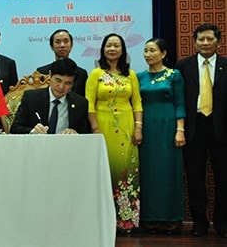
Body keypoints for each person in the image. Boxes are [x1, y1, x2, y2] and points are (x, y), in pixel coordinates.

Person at [85, 33, 143, 233]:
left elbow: (137, 102)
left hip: (126, 128)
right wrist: (95, 129)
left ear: (122, 50)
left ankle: (127, 221)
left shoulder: (131, 75)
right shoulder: (95, 74)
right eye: (108, 45)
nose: (112, 49)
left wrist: (138, 127)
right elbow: (89, 103)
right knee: (105, 171)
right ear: (103, 49)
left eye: (116, 45)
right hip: (103, 125)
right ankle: (104, 221)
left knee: (126, 171)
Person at [175, 23, 227, 238]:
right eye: (201, 39)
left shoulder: (226, 65)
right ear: (194, 41)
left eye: (210, 39)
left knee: (223, 179)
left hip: (221, 130)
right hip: (193, 128)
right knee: (195, 179)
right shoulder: (183, 66)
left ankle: (223, 223)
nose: (205, 43)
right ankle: (199, 223)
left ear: (218, 42)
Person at [137, 38, 186, 234]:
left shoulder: (174, 75)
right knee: (148, 173)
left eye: (152, 50)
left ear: (163, 54)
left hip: (168, 127)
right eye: (145, 50)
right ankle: (149, 218)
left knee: (168, 171)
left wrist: (180, 129)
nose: (148, 54)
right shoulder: (138, 76)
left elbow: (180, 103)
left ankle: (171, 218)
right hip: (146, 128)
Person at [10, 58, 89, 134]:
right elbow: (15, 128)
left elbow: (87, 134)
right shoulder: (31, 98)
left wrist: (76, 133)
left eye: (67, 83)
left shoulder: (81, 103)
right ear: (50, 76)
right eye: (58, 80)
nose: (61, 87)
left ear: (73, 84)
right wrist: (33, 131)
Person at [36, 29, 88, 96]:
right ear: (52, 46)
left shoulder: (82, 74)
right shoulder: (42, 72)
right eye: (58, 42)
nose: (62, 45)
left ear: (71, 45)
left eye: (66, 41)